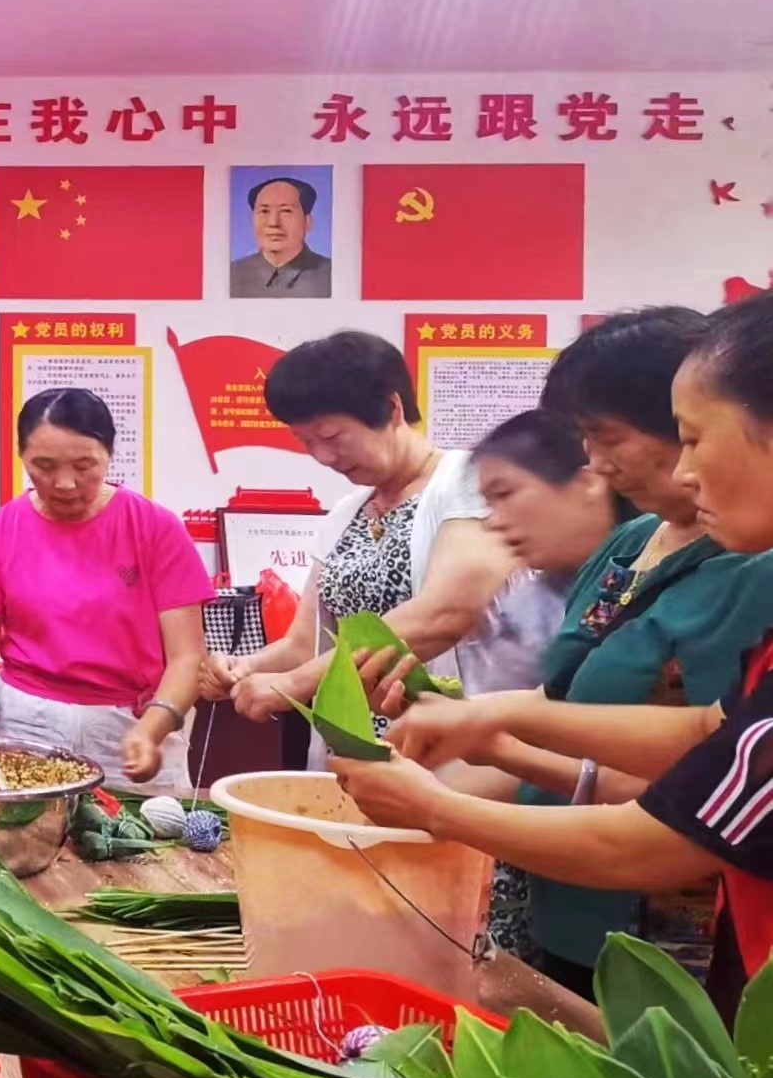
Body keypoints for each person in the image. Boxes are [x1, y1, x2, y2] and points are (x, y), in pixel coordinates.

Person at [335, 292, 773, 1008]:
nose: (598, 466)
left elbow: (672, 828)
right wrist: (486, 720)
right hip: (576, 903)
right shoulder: (630, 546)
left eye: (695, 437)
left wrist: (439, 804)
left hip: (675, 932)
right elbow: (710, 731)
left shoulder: (749, 573)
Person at [199, 331, 515, 764]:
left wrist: (294, 684)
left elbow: (444, 613)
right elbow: (304, 643)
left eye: (332, 436)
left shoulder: (469, 481)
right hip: (358, 755)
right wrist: (246, 667)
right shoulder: (346, 513)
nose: (323, 456)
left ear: (391, 408)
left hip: (458, 754)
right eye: (306, 442)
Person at [0, 388, 210, 785]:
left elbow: (187, 658)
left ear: (109, 453)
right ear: (21, 457)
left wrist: (152, 729)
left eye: (84, 465)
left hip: (129, 728)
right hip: (25, 726)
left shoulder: (155, 528)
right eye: (43, 465)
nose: (65, 483)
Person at [230, 176, 332, 299]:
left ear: (307, 221)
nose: (273, 223)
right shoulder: (231, 274)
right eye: (264, 211)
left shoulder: (332, 275)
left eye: (286, 211)